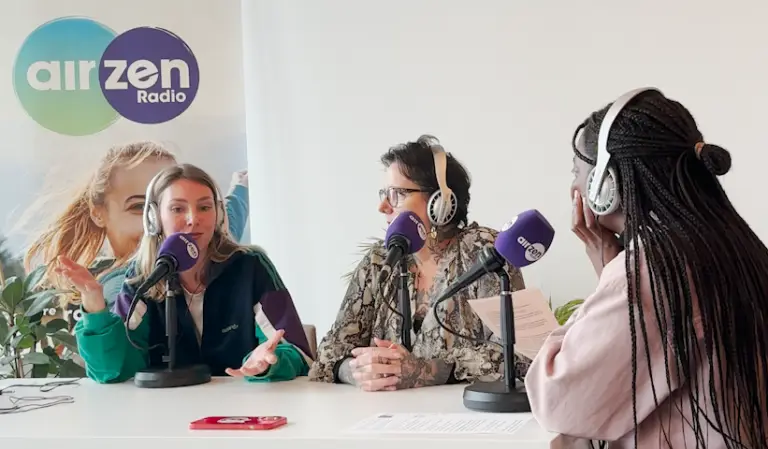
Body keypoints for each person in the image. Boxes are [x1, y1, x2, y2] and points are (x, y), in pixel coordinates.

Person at [525, 88, 768, 449]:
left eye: (578, 172)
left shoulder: (649, 271)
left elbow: (559, 399)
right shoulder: (735, 247)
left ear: (605, 185)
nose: (573, 187)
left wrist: (609, 273)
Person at [309, 135, 530, 391]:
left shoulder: (485, 254)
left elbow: (517, 357)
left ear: (441, 202)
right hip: (383, 418)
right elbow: (328, 353)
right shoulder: (380, 260)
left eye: (397, 194)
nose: (382, 206)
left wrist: (424, 370)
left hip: (462, 418)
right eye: (383, 194)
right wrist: (357, 370)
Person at [54, 163, 312, 383]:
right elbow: (111, 370)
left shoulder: (250, 266)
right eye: (178, 209)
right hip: (165, 419)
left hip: (243, 414)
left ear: (219, 214)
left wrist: (268, 363)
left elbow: (297, 352)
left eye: (204, 207)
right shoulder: (143, 276)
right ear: (155, 218)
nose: (193, 219)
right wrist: (95, 307)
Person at [23, 141, 250, 324]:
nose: (160, 222)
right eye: (140, 207)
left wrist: (241, 186)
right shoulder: (124, 285)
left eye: (171, 207)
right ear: (98, 213)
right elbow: (116, 355)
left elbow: (231, 221)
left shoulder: (202, 250)